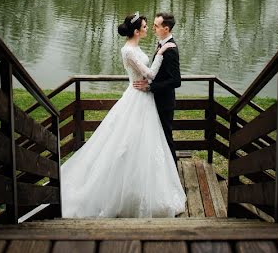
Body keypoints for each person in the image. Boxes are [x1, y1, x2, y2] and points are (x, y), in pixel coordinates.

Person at [60, 12, 186, 218]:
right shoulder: (129, 51)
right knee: (130, 142)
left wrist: (161, 56)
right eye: (147, 26)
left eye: (153, 25)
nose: (150, 28)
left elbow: (165, 78)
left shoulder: (140, 47)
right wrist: (161, 53)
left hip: (148, 97)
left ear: (166, 28)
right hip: (138, 97)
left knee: (150, 141)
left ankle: (153, 181)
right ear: (136, 31)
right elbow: (150, 74)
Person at [133, 12, 181, 163]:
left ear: (166, 29)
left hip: (164, 103)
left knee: (166, 138)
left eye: (156, 26)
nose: (153, 28)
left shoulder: (171, 50)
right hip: (158, 100)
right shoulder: (162, 44)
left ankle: (173, 172)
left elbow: (176, 81)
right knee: (157, 137)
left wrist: (150, 87)